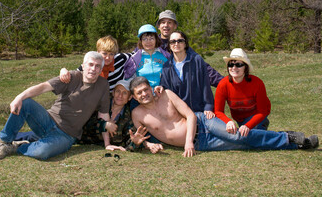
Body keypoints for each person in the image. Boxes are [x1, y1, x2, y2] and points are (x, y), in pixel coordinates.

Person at [128, 76, 319, 157]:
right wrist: (145, 144)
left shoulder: (167, 95)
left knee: (238, 136)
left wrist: (188, 143)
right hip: (202, 143)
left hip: (204, 123)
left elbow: (190, 116)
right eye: (139, 93)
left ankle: (289, 137)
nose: (143, 95)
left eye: (145, 90)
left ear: (151, 88)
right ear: (134, 97)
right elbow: (142, 137)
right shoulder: (137, 114)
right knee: (244, 144)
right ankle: (294, 142)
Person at [0, 51, 110, 160]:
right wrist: (19, 97)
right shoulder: (72, 77)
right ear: (83, 66)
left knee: (42, 152)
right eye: (90, 64)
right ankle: (4, 142)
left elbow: (103, 115)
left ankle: (17, 147)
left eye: (97, 66)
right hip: (48, 120)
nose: (93, 69)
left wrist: (107, 144)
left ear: (101, 70)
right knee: (26, 102)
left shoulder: (103, 86)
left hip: (66, 135)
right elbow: (43, 87)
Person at [0, 80, 136, 152]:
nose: (120, 96)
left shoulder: (127, 117)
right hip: (72, 130)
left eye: (125, 93)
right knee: (32, 135)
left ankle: (15, 144)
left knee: (39, 140)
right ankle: (3, 137)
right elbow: (89, 122)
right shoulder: (102, 104)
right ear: (113, 92)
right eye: (118, 91)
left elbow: (129, 141)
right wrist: (105, 125)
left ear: (130, 97)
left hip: (73, 138)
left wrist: (138, 143)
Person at [156, 10, 223, 87]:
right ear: (158, 26)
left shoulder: (181, 45)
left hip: (179, 91)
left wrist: (224, 84)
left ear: (175, 26)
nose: (166, 25)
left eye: (169, 22)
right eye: (163, 22)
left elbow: (203, 68)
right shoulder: (151, 45)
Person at [213, 48, 270, 135]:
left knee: (253, 136)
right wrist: (228, 122)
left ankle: (288, 137)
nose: (234, 68)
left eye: (239, 64)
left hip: (256, 118)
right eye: (231, 64)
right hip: (239, 120)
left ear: (245, 68)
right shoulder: (223, 84)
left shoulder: (257, 83)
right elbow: (218, 111)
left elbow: (263, 111)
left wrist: (248, 125)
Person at [160, 30, 214, 118]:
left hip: (200, 112)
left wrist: (208, 106)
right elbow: (166, 91)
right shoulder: (167, 67)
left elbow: (205, 84)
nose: (176, 43)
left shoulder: (196, 60)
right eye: (173, 41)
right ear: (169, 45)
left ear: (185, 43)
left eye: (180, 41)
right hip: (179, 115)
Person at [59, 35, 132, 92]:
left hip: (115, 95)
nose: (108, 57)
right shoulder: (92, 63)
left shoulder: (120, 58)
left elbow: (136, 54)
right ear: (98, 52)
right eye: (104, 53)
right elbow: (75, 73)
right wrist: (63, 70)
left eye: (111, 54)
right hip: (97, 95)